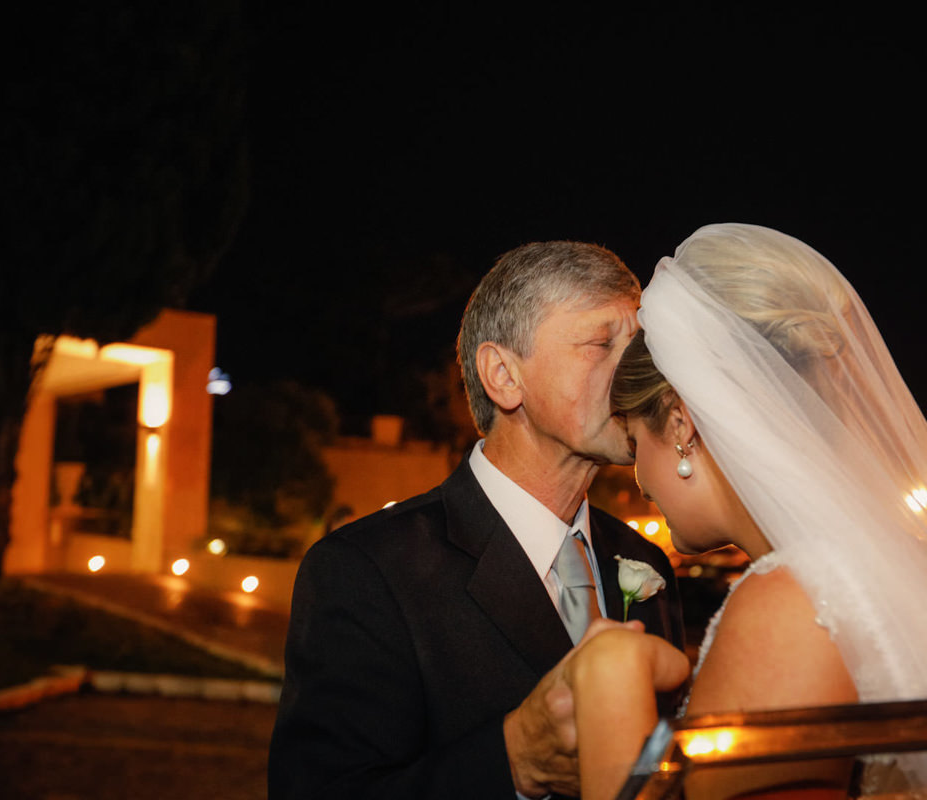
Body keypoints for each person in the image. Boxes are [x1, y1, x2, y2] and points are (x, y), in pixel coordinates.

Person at [565, 224, 927, 799]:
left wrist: (608, 686)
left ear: (680, 425)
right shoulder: (911, 563)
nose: (640, 481)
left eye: (634, 444)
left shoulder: (793, 599)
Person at [268, 240, 685, 799]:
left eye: (638, 346)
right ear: (503, 375)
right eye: (601, 343)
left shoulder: (644, 564)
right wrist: (512, 762)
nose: (635, 370)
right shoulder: (365, 573)